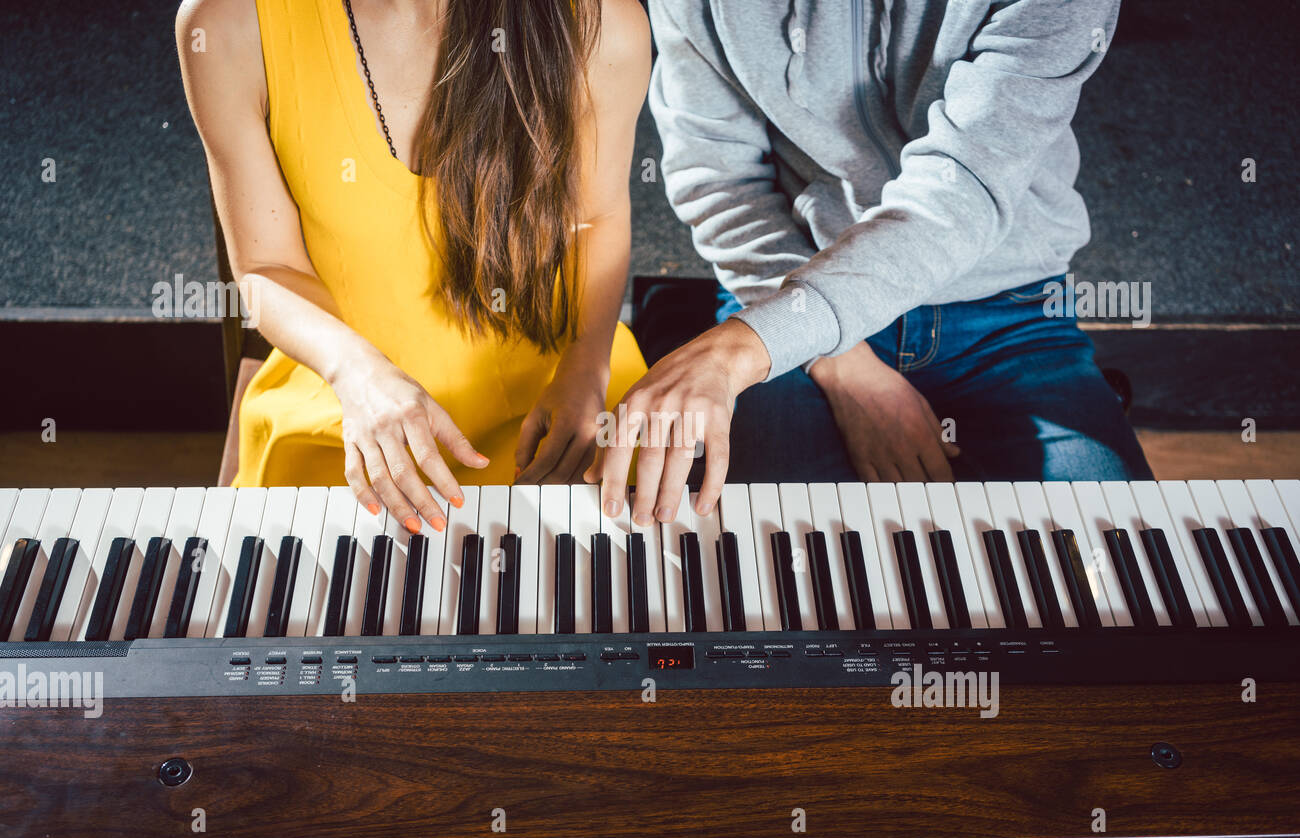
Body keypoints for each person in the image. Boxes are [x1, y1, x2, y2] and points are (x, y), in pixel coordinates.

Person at [587, 0, 1152, 528]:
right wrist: (843, 367)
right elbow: (721, 182)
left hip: (1009, 312)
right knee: (788, 598)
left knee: (1127, 593)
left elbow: (962, 191)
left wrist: (737, 350)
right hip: (786, 291)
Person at [177, 0, 650, 532]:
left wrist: (587, 368)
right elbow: (265, 267)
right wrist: (356, 375)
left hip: (557, 405)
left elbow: (599, 215)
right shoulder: (223, 23)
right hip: (344, 404)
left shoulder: (603, 17)